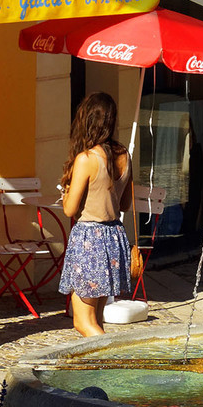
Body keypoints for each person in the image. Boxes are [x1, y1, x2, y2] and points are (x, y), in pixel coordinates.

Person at [58, 92, 133, 338]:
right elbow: (125, 204)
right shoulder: (123, 155)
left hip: (90, 240)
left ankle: (114, 360)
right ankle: (101, 370)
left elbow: (69, 209)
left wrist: (67, 188)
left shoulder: (86, 159)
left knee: (83, 322)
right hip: (114, 236)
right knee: (96, 319)